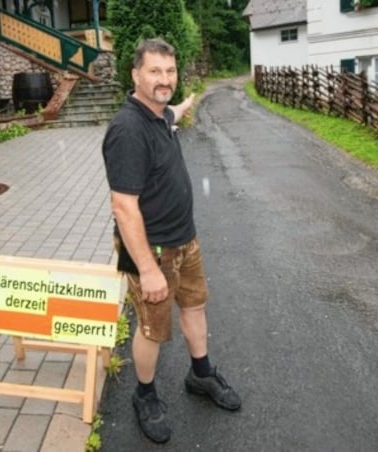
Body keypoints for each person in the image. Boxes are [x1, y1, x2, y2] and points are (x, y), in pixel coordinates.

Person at [102, 37, 241, 444]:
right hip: (154, 253)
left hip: (186, 241)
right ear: (135, 75)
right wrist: (147, 269)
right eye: (155, 71)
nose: (165, 80)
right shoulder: (127, 130)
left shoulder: (159, 115)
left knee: (195, 306)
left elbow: (171, 110)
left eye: (170, 71)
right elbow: (124, 207)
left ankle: (201, 375)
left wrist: (185, 104)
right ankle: (143, 395)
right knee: (151, 330)